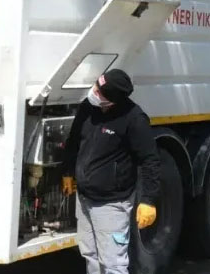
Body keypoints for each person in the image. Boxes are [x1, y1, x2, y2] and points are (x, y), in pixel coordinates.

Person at [61, 69, 161, 274]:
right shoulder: (88, 108)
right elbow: (73, 142)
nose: (94, 92)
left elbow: (150, 160)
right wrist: (67, 172)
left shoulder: (134, 119)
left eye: (99, 91)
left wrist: (148, 200)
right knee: (90, 255)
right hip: (85, 198)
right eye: (96, 86)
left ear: (113, 100)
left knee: (113, 264)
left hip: (112, 203)